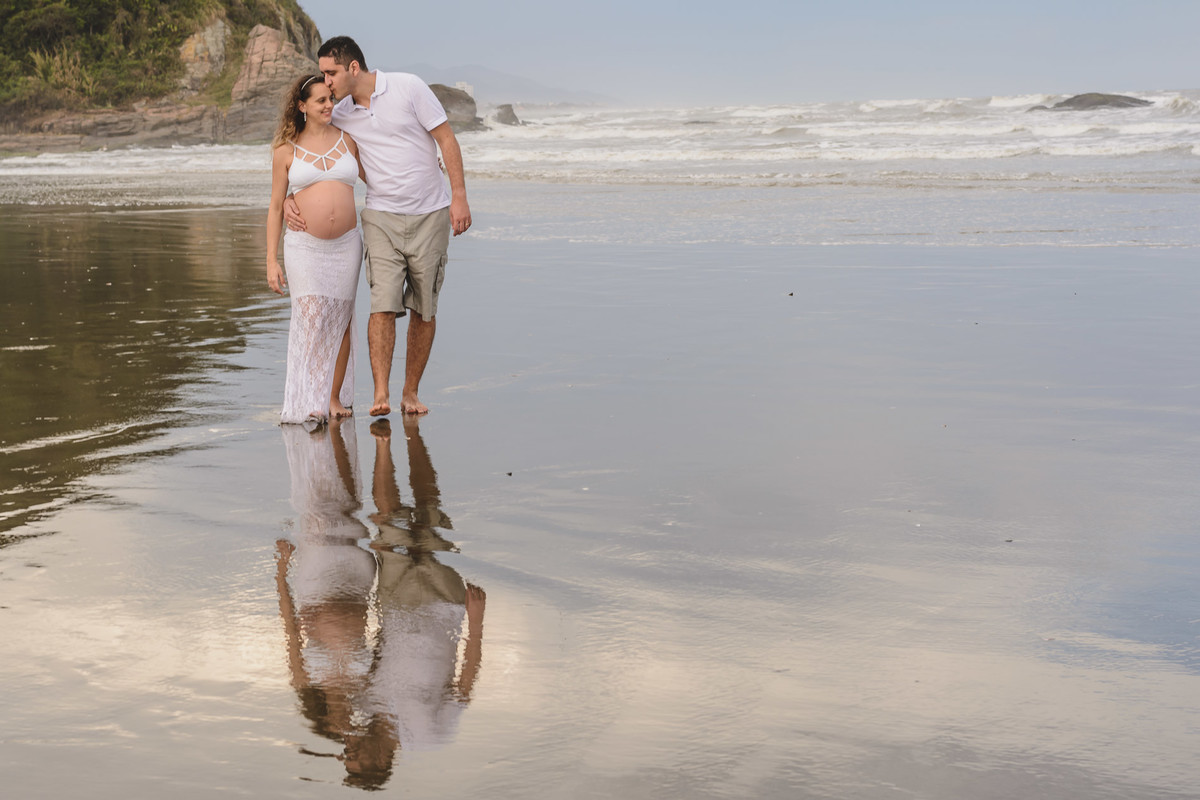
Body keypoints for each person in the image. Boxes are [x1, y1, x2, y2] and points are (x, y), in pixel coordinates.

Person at [285, 36, 472, 416]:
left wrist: (459, 196)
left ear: (353, 68)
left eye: (331, 72)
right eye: (323, 73)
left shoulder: (408, 87)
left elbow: (446, 139)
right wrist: (291, 196)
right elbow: (306, 150)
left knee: (424, 307)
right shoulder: (337, 112)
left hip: (431, 213)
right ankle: (381, 394)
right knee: (382, 304)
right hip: (381, 216)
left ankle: (411, 393)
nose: (326, 81)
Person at [267, 73, 365, 426]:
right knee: (311, 318)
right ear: (302, 106)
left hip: (347, 246)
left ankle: (334, 397)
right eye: (321, 100)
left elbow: (381, 174)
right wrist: (270, 260)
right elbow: (276, 204)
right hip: (304, 247)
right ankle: (310, 397)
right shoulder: (286, 151)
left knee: (340, 320)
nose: (328, 105)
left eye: (330, 99)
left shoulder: (349, 141)